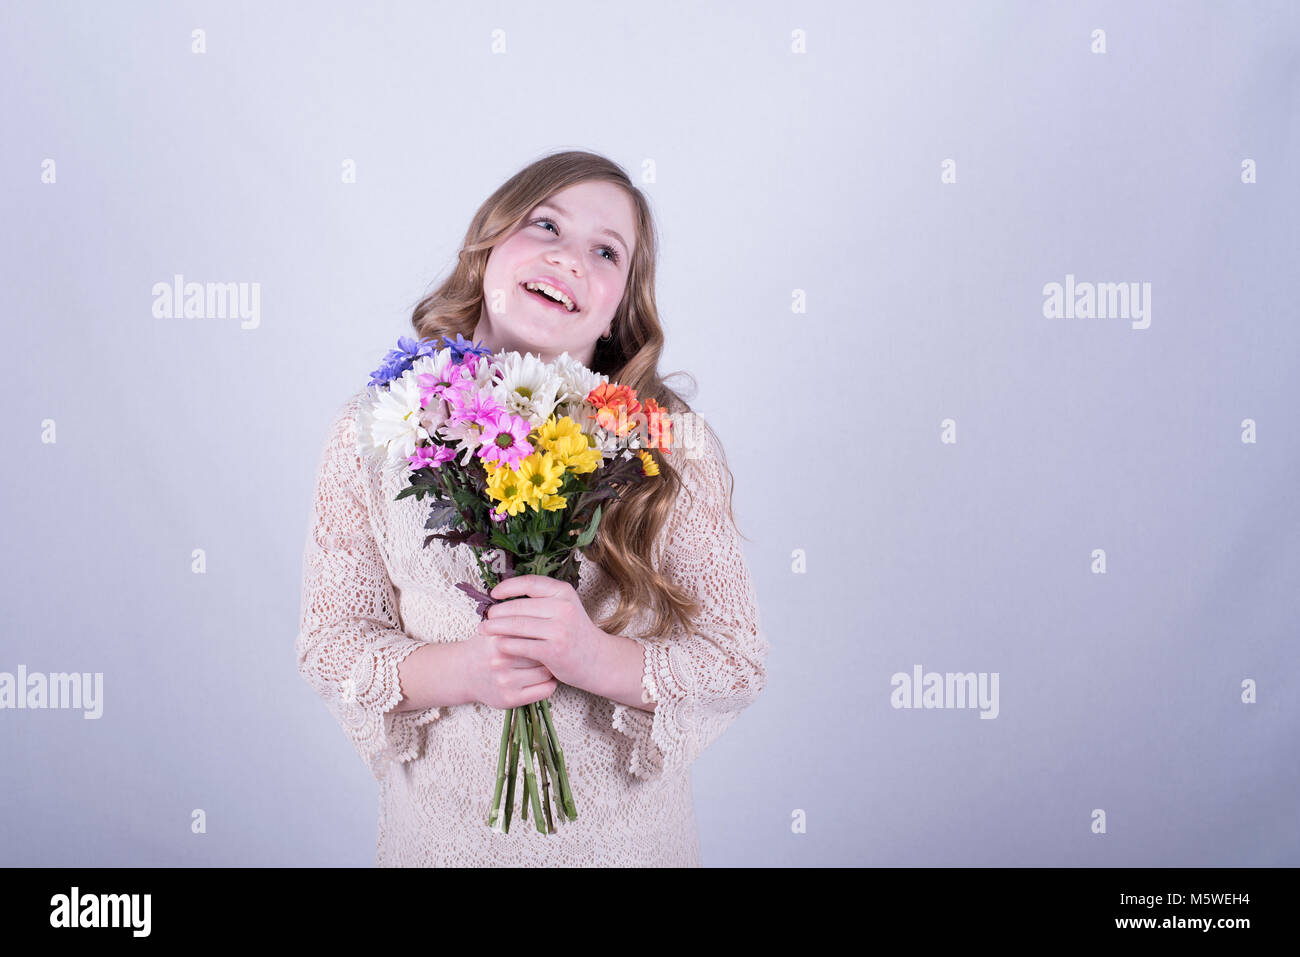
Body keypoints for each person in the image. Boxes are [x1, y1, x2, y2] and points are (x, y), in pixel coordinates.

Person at [295, 150, 769, 866]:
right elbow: (330, 641)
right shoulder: (376, 430)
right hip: (439, 846)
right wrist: (465, 670)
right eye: (545, 223)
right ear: (487, 241)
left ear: (620, 306)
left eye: (605, 251)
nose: (569, 257)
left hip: (628, 848)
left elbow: (735, 659)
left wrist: (595, 658)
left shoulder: (665, 445)